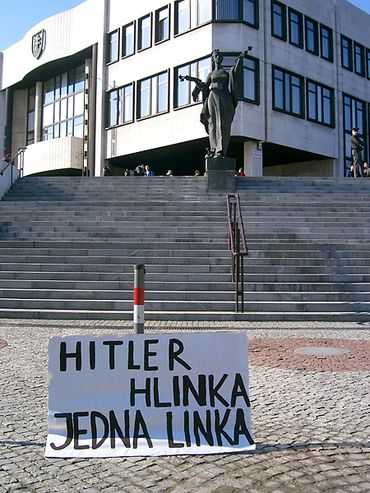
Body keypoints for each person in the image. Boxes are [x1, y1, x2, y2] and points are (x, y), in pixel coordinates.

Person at [179, 47, 251, 159]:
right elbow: (204, 86)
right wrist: (193, 80)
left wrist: (240, 59)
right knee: (212, 123)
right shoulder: (211, 75)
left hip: (224, 98)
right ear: (213, 59)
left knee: (223, 124)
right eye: (215, 56)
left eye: (219, 56)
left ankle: (221, 151)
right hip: (212, 98)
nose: (218, 58)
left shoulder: (226, 73)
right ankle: (213, 150)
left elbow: (235, 75)